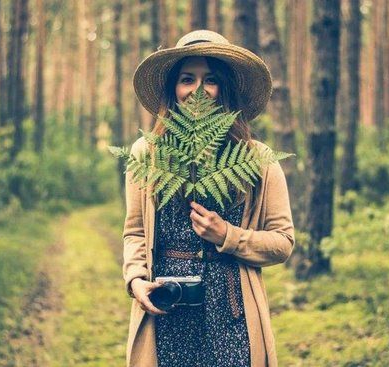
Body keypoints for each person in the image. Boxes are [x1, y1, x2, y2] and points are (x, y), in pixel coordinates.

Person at [123, 30, 295, 367]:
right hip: (167, 307)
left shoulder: (256, 158)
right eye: (188, 79)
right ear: (173, 88)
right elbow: (135, 232)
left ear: (224, 89)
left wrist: (227, 236)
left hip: (232, 312)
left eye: (210, 80)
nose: (198, 90)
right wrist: (136, 279)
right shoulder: (147, 154)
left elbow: (283, 242)